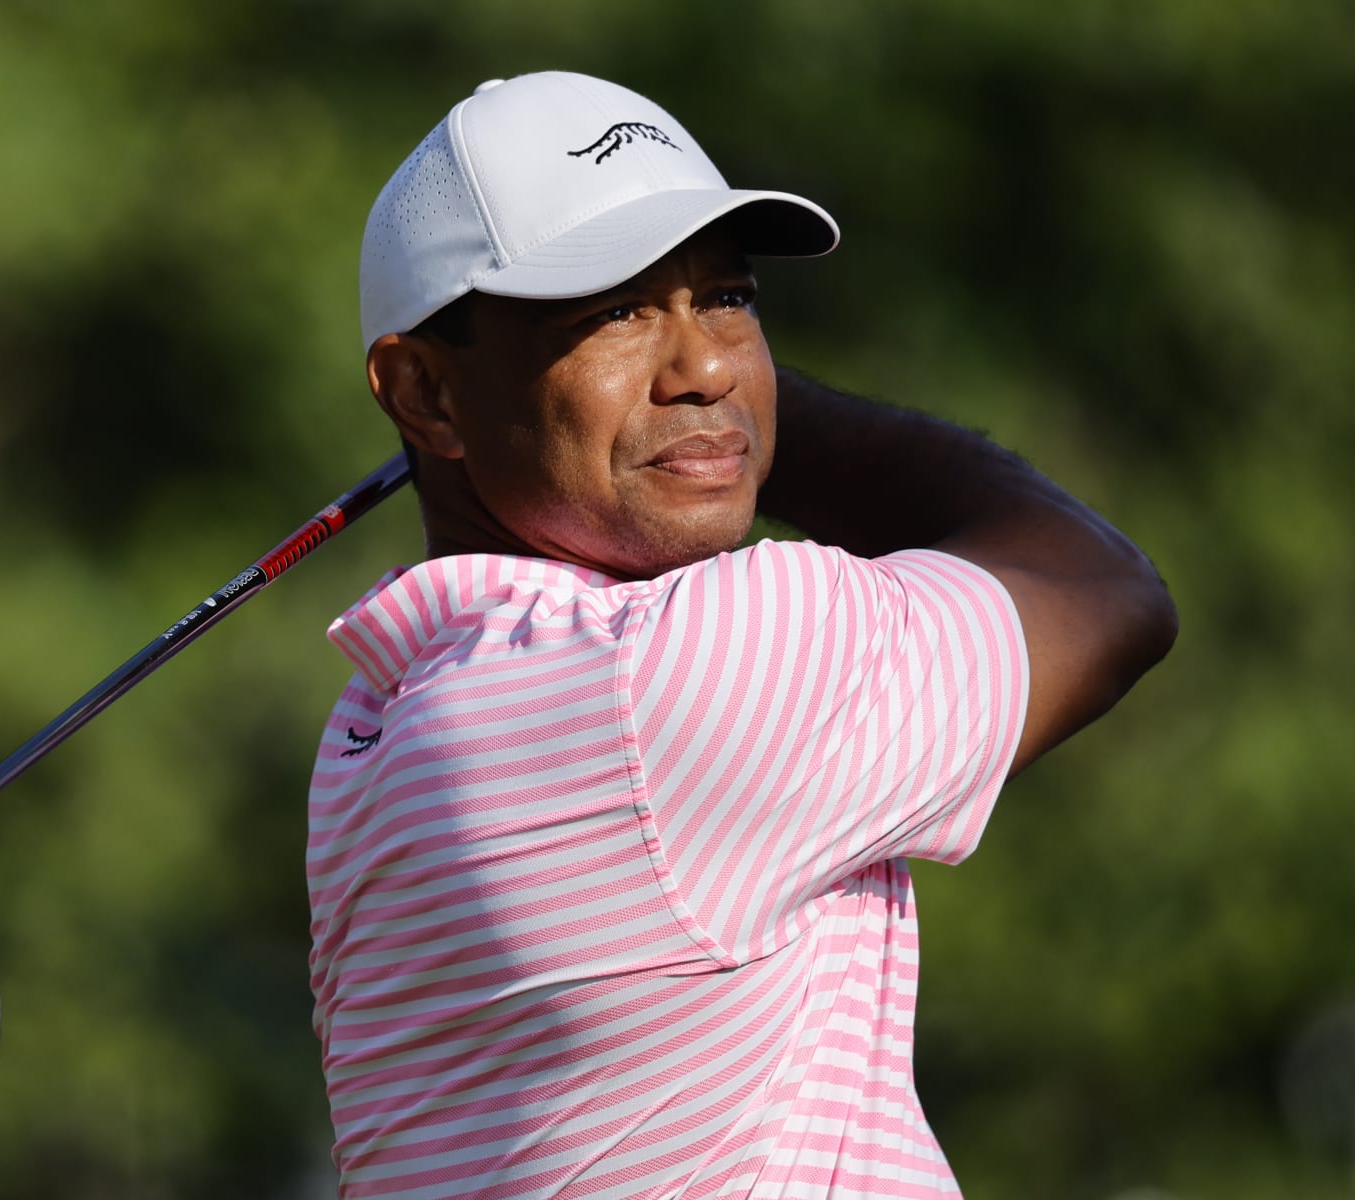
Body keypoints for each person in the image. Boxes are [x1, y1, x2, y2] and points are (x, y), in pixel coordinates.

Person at [306, 71, 1176, 1199]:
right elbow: (1104, 587)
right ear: (423, 395)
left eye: (727, 298)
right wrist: (759, 423)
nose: (706, 363)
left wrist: (692, 418)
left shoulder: (377, 727)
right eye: (614, 310)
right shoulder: (679, 676)